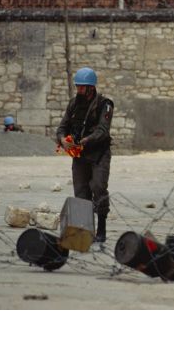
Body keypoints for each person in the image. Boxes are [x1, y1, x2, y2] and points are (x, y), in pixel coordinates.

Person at [56, 67, 114, 243]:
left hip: (99, 154)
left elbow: (103, 131)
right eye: (78, 87)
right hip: (79, 155)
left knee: (98, 187)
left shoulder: (105, 104)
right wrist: (62, 140)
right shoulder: (74, 104)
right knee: (81, 192)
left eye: (82, 87)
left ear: (91, 88)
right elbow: (62, 127)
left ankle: (101, 229)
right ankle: (84, 233)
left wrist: (84, 141)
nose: (79, 90)